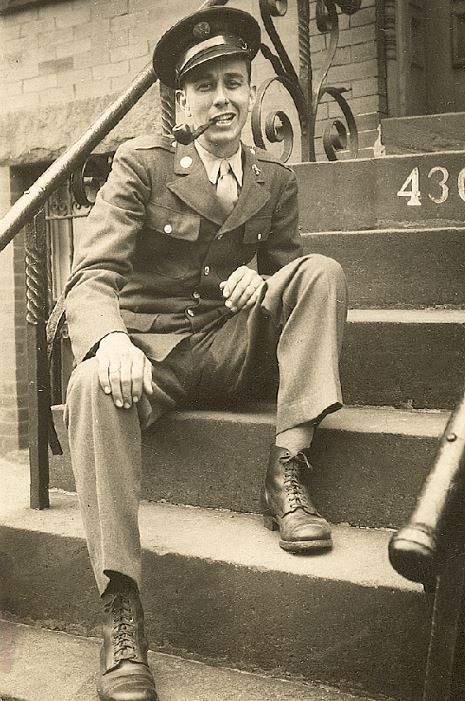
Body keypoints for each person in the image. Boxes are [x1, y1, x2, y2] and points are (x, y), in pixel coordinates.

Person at [63, 6, 348, 701]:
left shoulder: (274, 178)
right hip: (151, 358)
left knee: (321, 273)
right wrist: (110, 340)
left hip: (228, 345)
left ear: (251, 92)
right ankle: (121, 609)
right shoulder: (142, 164)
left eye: (234, 83)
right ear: (183, 101)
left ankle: (285, 470)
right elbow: (90, 275)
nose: (222, 99)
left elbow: (287, 273)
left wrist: (265, 282)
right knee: (88, 384)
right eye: (205, 86)